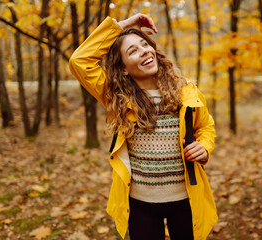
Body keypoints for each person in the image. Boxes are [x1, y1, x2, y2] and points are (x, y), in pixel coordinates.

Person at [69, 13, 217, 240]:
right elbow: (79, 61)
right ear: (124, 68)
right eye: (133, 51)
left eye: (144, 44)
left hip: (186, 199)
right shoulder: (116, 96)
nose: (144, 51)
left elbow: (205, 127)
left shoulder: (186, 91)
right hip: (141, 205)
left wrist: (204, 147)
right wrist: (122, 26)